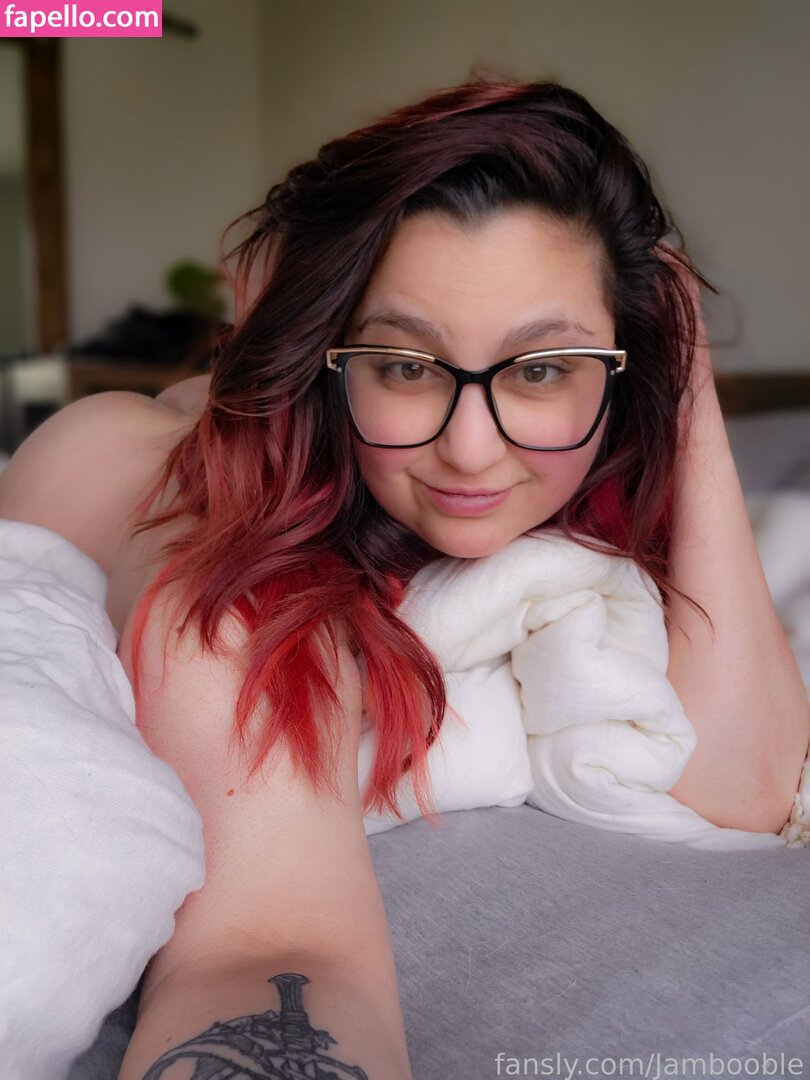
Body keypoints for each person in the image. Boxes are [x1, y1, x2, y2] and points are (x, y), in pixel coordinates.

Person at [2, 77, 807, 1080]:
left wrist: (690, 394)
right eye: (407, 366)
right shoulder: (235, 572)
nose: (471, 451)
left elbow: (746, 792)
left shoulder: (607, 441)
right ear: (329, 358)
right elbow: (267, 949)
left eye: (541, 368)